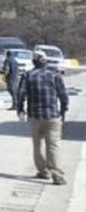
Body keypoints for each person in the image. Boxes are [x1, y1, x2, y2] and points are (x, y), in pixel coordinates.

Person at [17, 50, 69, 185]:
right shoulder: (54, 75)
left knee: (37, 144)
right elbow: (63, 95)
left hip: (34, 116)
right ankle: (57, 174)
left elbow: (21, 94)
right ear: (46, 61)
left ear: (33, 61)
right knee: (53, 145)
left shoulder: (28, 75)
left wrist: (20, 109)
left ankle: (43, 171)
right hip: (52, 116)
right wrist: (63, 111)